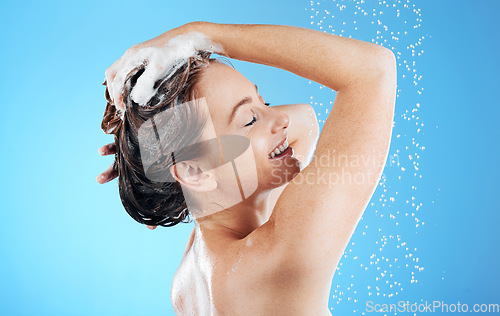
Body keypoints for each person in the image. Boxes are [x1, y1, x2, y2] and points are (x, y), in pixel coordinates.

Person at [96, 22, 396, 315]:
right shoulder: (274, 261)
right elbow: (372, 69)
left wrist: (148, 163)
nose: (281, 121)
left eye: (265, 102)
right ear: (194, 174)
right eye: (249, 121)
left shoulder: (194, 268)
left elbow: (304, 122)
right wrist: (202, 33)